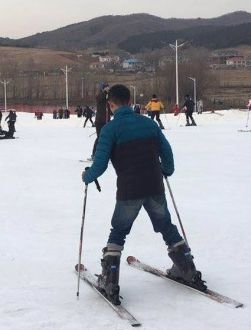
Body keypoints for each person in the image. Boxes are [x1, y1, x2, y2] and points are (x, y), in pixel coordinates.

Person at [81, 84, 205, 305]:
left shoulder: (110, 129)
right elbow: (167, 152)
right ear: (130, 102)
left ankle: (110, 280)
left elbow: (100, 164)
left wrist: (87, 176)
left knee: (119, 231)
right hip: (154, 185)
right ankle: (187, 269)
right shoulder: (149, 123)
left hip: (130, 190)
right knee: (166, 226)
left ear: (111, 105)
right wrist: (166, 170)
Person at [91, 83, 111, 157]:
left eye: (108, 87)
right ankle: (94, 154)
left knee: (108, 138)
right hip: (100, 121)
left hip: (107, 120)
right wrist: (105, 93)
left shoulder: (108, 97)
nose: (107, 89)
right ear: (102, 89)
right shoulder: (100, 95)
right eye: (106, 87)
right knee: (100, 137)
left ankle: (106, 153)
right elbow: (99, 98)